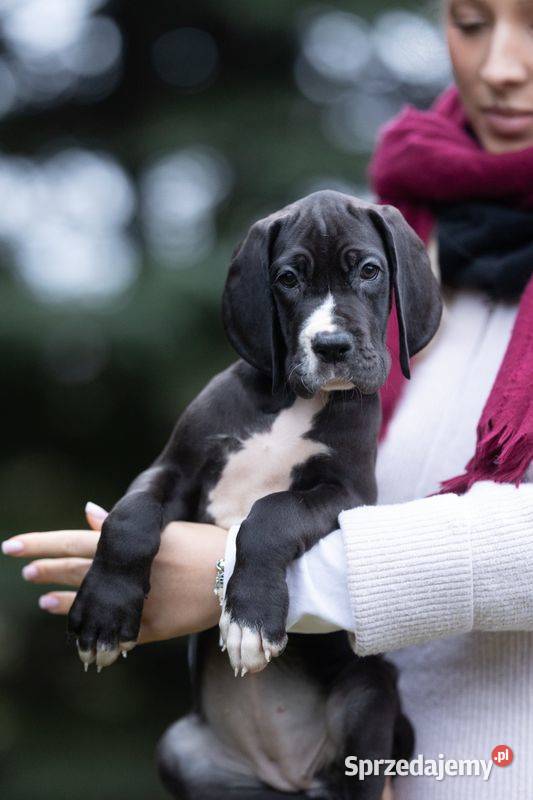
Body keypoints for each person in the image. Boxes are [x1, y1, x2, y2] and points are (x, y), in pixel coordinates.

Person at [3, 0, 533, 796]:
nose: (499, 65)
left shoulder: (392, 255)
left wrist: (249, 574)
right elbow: (174, 477)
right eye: (467, 21)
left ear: (393, 291)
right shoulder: (408, 230)